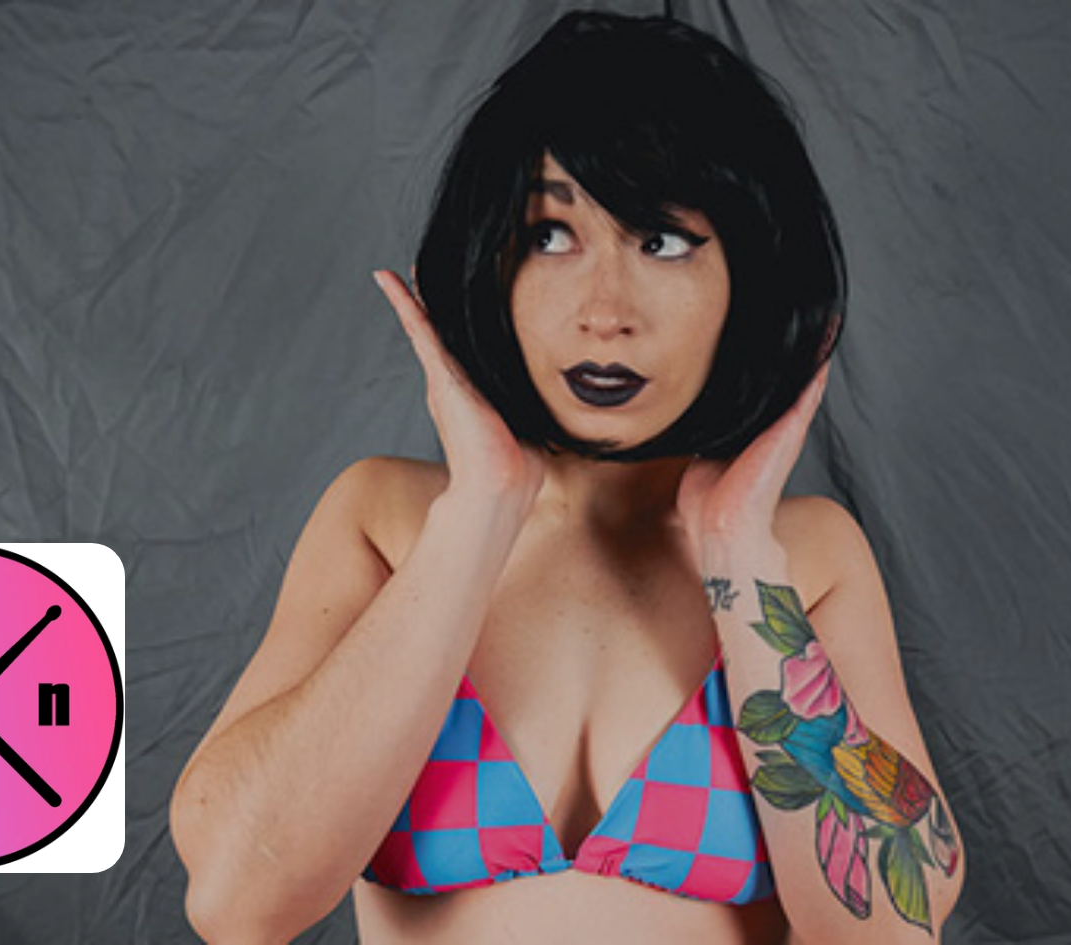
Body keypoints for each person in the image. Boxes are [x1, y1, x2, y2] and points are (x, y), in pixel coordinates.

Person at [170, 11, 964, 943]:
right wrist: (480, 509)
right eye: (550, 235)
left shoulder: (808, 556)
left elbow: (893, 927)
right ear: (492, 259)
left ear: (749, 277)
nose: (604, 311)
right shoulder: (384, 521)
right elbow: (236, 901)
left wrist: (740, 554)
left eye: (661, 240)